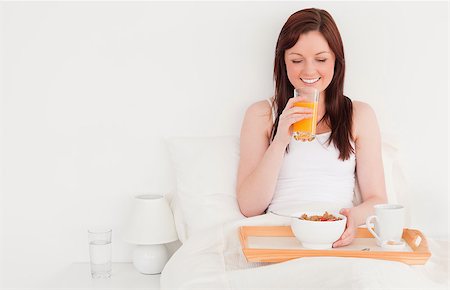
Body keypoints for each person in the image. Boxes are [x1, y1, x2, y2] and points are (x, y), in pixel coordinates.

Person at [236, 8, 387, 248]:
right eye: (296, 60)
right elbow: (249, 207)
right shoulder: (262, 114)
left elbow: (377, 199)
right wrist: (280, 141)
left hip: (334, 235)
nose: (308, 71)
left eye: (321, 59)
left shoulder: (360, 115)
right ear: (283, 61)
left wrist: (351, 220)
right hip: (280, 236)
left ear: (337, 61)